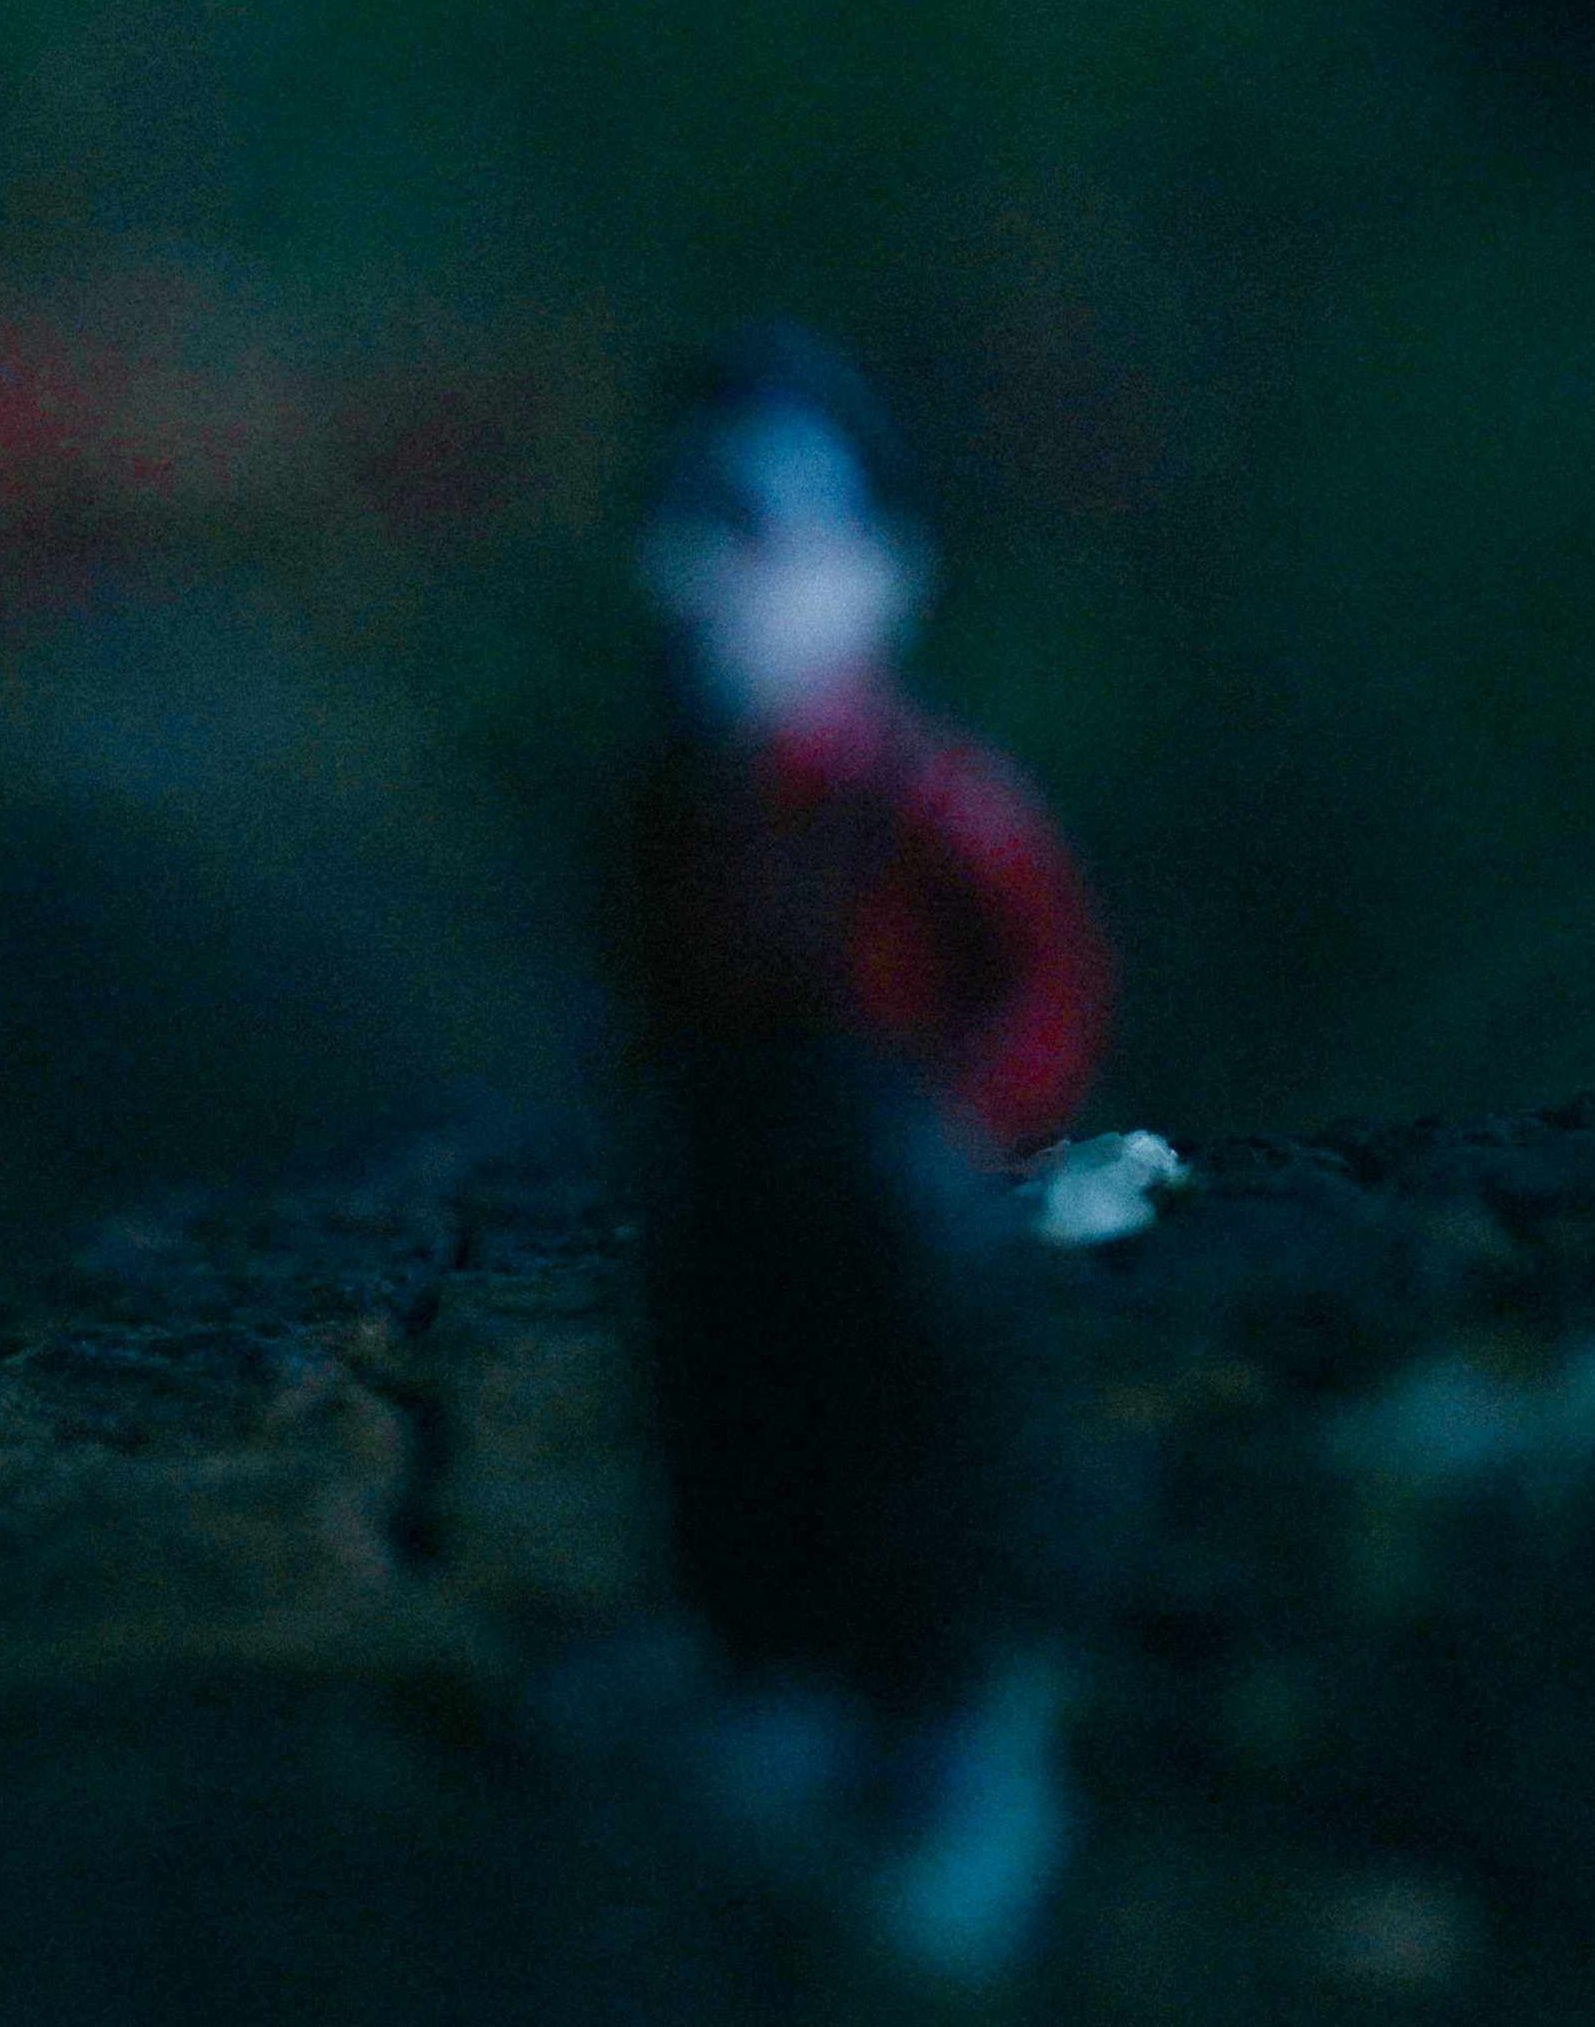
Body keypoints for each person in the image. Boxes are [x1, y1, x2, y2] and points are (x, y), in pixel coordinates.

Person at [604, 327, 1110, 1988]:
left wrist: (966, 1129)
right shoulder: (685, 808)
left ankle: (934, 1710)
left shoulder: (930, 800)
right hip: (731, 1176)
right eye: (678, 520)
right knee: (729, 1421)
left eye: (749, 526)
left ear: (878, 567)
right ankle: (770, 1677)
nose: (697, 575)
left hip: (892, 1186)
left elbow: (1043, 973)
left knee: (904, 1424)